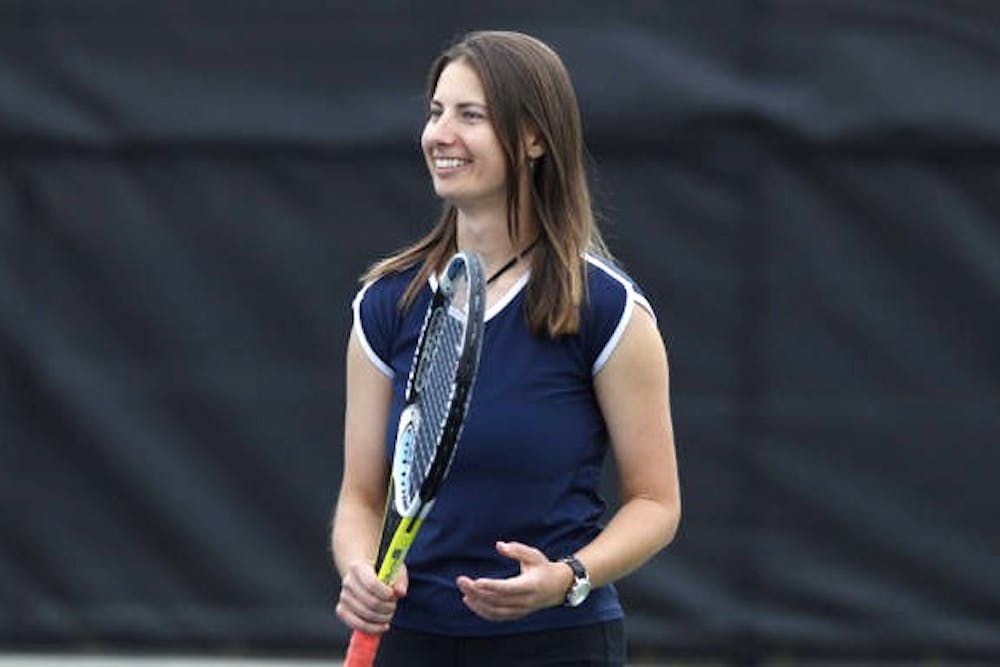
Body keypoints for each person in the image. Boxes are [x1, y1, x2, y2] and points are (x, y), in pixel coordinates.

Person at [331, 30, 680, 666]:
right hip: (411, 642)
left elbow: (657, 502)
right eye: (436, 112)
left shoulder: (605, 308)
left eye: (471, 116)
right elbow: (361, 496)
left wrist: (568, 577)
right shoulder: (386, 304)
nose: (441, 134)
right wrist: (359, 569)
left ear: (534, 138)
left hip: (558, 644)